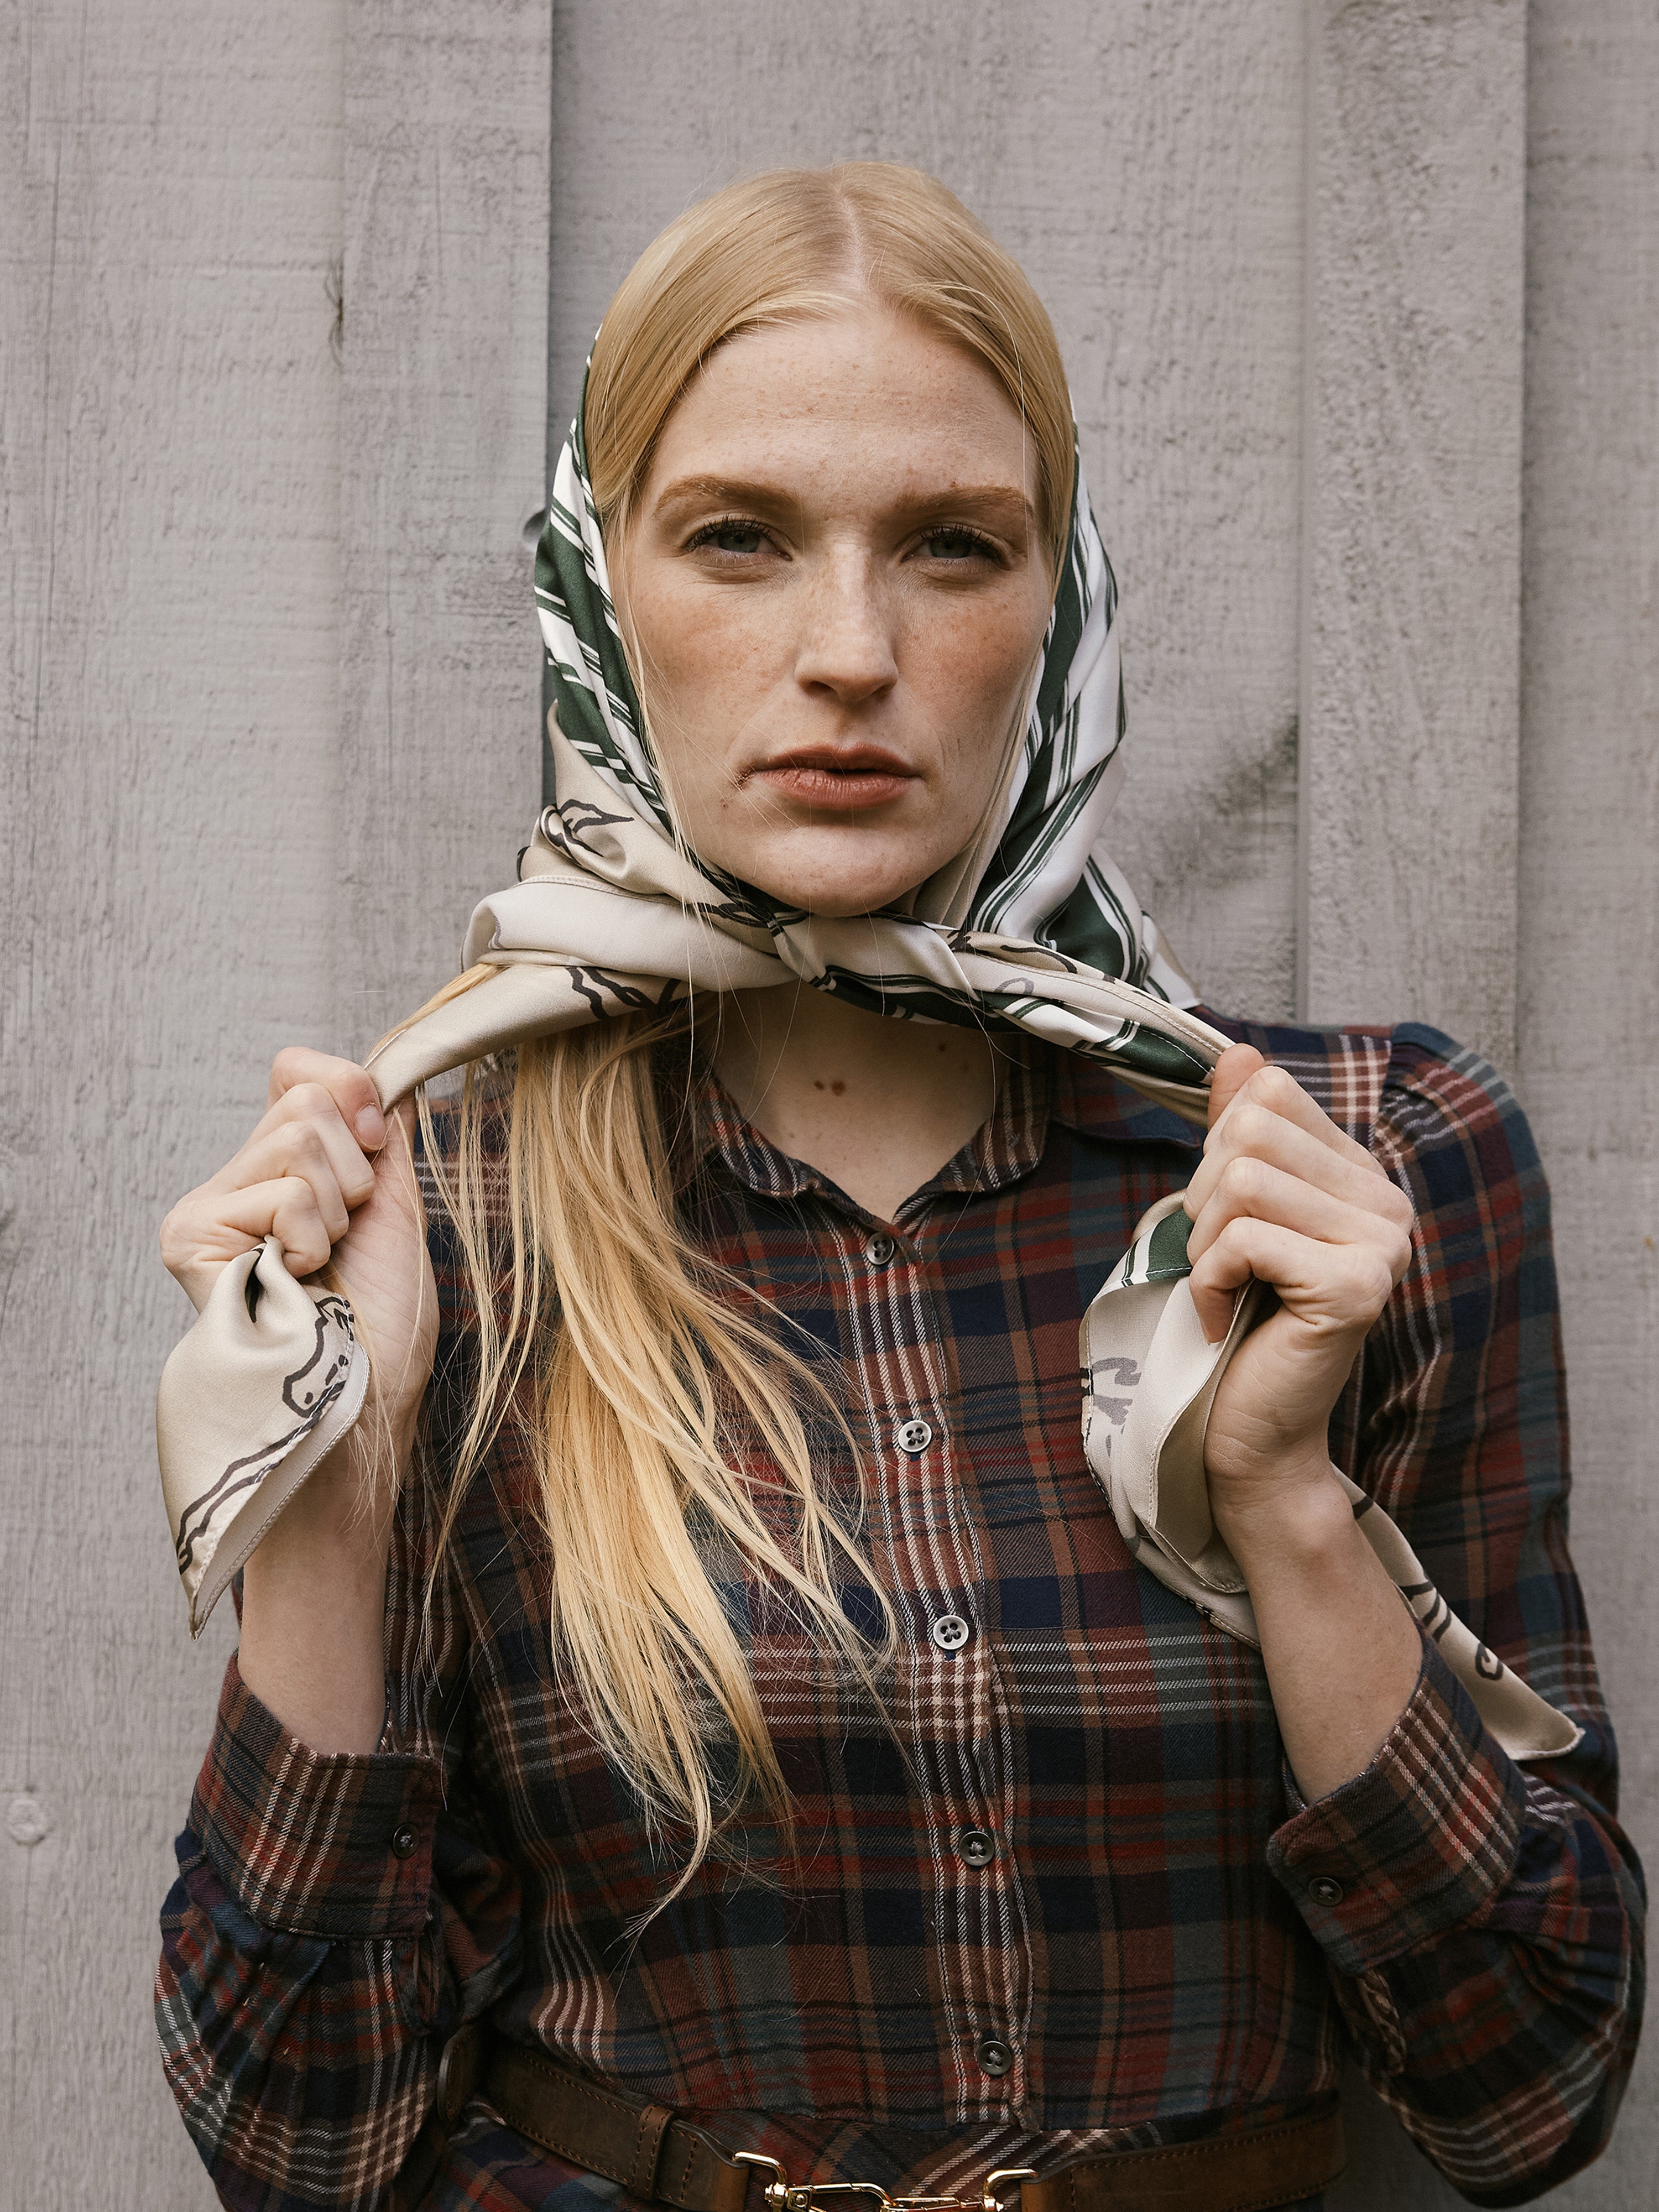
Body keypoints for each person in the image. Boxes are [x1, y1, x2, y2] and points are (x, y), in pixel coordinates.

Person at [154, 166, 1641, 2212]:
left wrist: (1290, 1503)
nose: (850, 652)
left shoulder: (1351, 1176)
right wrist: (336, 1475)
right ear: (602, 595)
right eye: (740, 542)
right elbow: (298, 2140)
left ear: (1065, 597)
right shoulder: (446, 1219)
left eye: (953, 547)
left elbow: (1529, 2093)